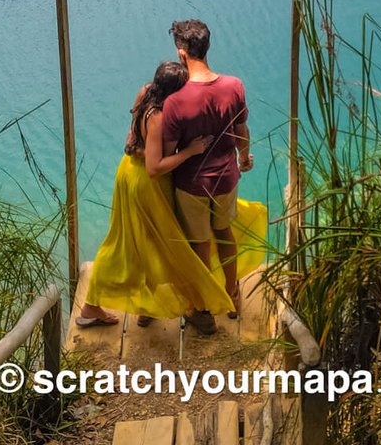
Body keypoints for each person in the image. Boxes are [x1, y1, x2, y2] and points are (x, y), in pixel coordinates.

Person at [76, 60, 263, 327]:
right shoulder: (160, 117)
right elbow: (155, 167)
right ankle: (102, 305)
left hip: (127, 174)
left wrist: (136, 148)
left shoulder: (144, 93)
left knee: (136, 241)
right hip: (148, 183)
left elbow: (132, 139)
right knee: (148, 244)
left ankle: (145, 307)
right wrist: (190, 151)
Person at [159, 19, 253, 336]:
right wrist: (244, 156)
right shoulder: (234, 86)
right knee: (224, 232)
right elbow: (241, 131)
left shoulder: (175, 101)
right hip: (227, 177)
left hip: (192, 185)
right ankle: (233, 294)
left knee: (199, 244)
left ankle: (203, 306)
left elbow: (169, 152)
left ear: (182, 53)